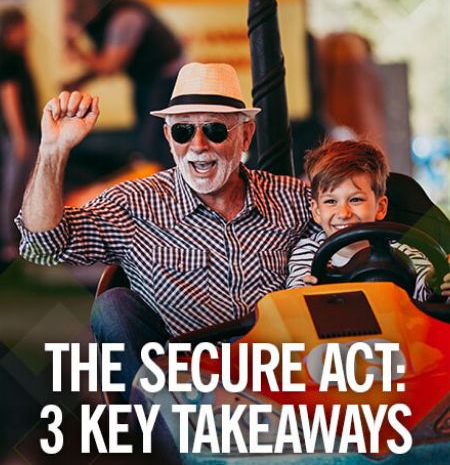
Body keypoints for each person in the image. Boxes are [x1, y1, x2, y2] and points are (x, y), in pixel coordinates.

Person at [16, 62, 317, 399]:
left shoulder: (293, 199)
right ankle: (151, 439)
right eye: (183, 131)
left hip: (280, 381)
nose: (198, 144)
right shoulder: (134, 203)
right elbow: (42, 245)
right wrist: (53, 151)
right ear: (168, 137)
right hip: (182, 393)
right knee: (113, 305)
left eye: (216, 130)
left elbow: (355, 235)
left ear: (246, 135)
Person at [287, 139, 450, 300]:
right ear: (316, 211)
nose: (343, 213)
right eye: (331, 201)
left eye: (355, 200)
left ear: (380, 207)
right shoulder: (309, 253)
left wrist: (434, 280)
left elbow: (424, 301)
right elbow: (296, 297)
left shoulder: (402, 253)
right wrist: (308, 292)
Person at [62, 0, 184, 168]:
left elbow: (109, 65)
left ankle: (167, 183)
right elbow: (104, 61)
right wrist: (80, 80)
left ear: (89, 11)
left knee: (152, 138)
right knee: (142, 135)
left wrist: (77, 51)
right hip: (145, 77)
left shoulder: (124, 17)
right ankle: (157, 176)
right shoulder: (99, 18)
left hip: (167, 75)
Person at [0, 7, 39, 267]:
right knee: (16, 189)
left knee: (21, 188)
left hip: (23, 134)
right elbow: (9, 97)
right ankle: (10, 243)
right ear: (12, 29)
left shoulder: (14, 57)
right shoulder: (8, 58)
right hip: (19, 136)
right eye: (24, 27)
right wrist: (19, 136)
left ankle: (15, 240)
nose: (28, 33)